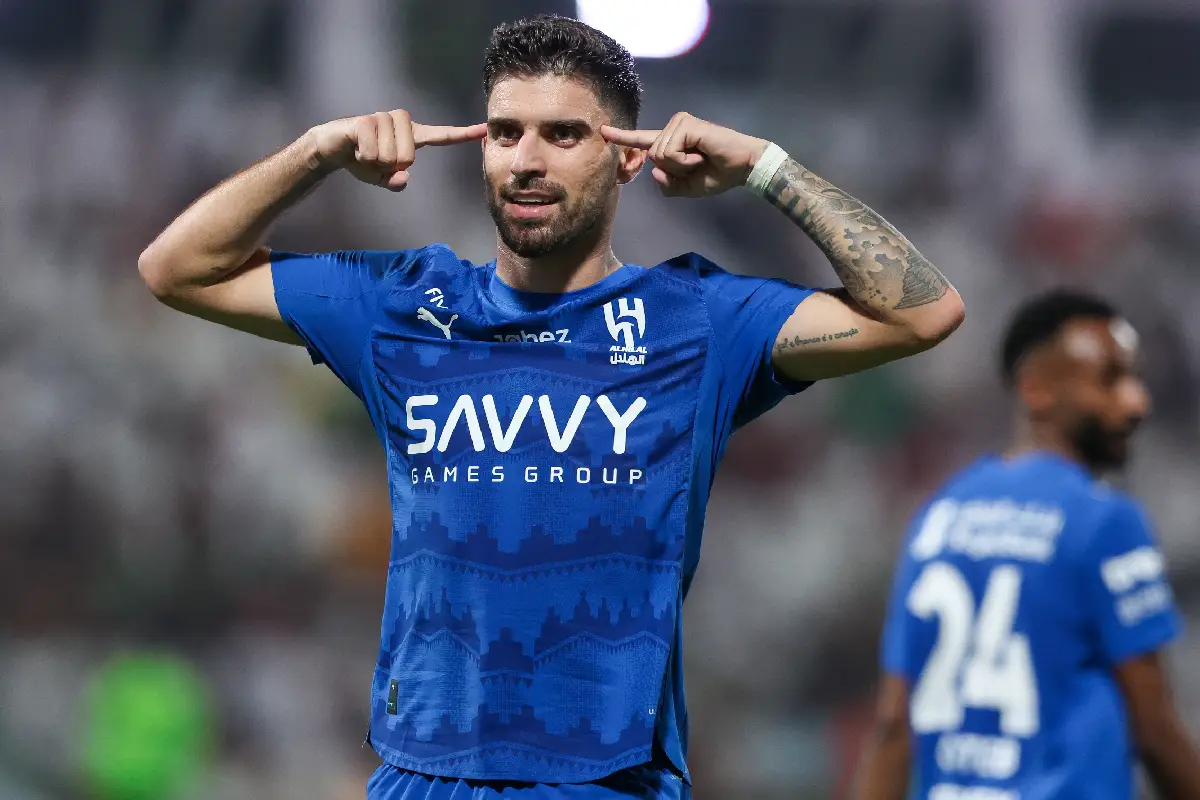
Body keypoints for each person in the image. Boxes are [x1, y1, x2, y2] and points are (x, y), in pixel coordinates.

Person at [139, 14, 963, 800]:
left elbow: (922, 313)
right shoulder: (404, 304)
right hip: (421, 772)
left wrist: (765, 169)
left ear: (629, 157)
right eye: (505, 133)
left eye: (564, 134)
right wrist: (314, 152)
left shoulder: (697, 318)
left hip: (604, 780)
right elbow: (176, 269)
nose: (526, 160)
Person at [853, 291, 1200, 800]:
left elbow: (891, 728)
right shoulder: (1104, 521)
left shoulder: (938, 518)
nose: (1136, 402)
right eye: (1110, 379)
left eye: (1134, 377)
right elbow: (1156, 731)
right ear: (1036, 388)